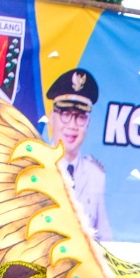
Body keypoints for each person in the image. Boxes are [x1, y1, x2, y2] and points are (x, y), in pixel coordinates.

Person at [46, 68, 111, 240]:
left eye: (81, 117)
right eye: (66, 114)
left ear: (88, 123)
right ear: (52, 118)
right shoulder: (35, 168)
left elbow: (104, 236)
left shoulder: (96, 174)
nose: (73, 125)